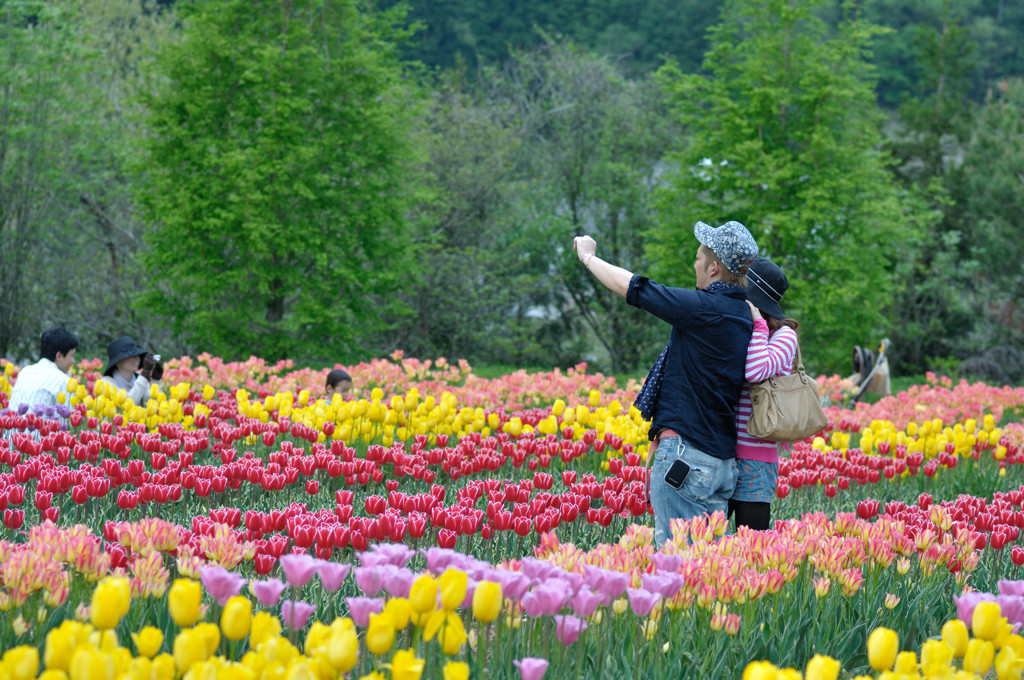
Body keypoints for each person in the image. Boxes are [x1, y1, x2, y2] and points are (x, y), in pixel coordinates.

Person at [574, 220, 758, 547]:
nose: (694, 263)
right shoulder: (744, 314)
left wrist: (588, 257)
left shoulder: (704, 310)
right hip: (723, 464)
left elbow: (635, 287)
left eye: (699, 257)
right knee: (712, 573)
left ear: (714, 268)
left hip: (687, 460)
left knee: (678, 572)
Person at [730, 257, 799, 531]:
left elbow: (755, 371)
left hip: (756, 458)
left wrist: (759, 325)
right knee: (711, 547)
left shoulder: (783, 336)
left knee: (753, 547)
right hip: (721, 455)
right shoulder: (740, 328)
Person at [7, 328, 79, 418]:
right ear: (59, 356)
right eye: (72, 355)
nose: (73, 361)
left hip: (12, 431)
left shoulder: (25, 371)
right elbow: (65, 424)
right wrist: (67, 379)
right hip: (41, 431)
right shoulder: (63, 381)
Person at [100, 336, 162, 407]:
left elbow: (151, 406)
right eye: (132, 355)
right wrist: (145, 374)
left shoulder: (138, 378)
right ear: (118, 361)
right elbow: (127, 404)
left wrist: (156, 381)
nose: (137, 358)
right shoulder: (106, 383)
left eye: (138, 355)